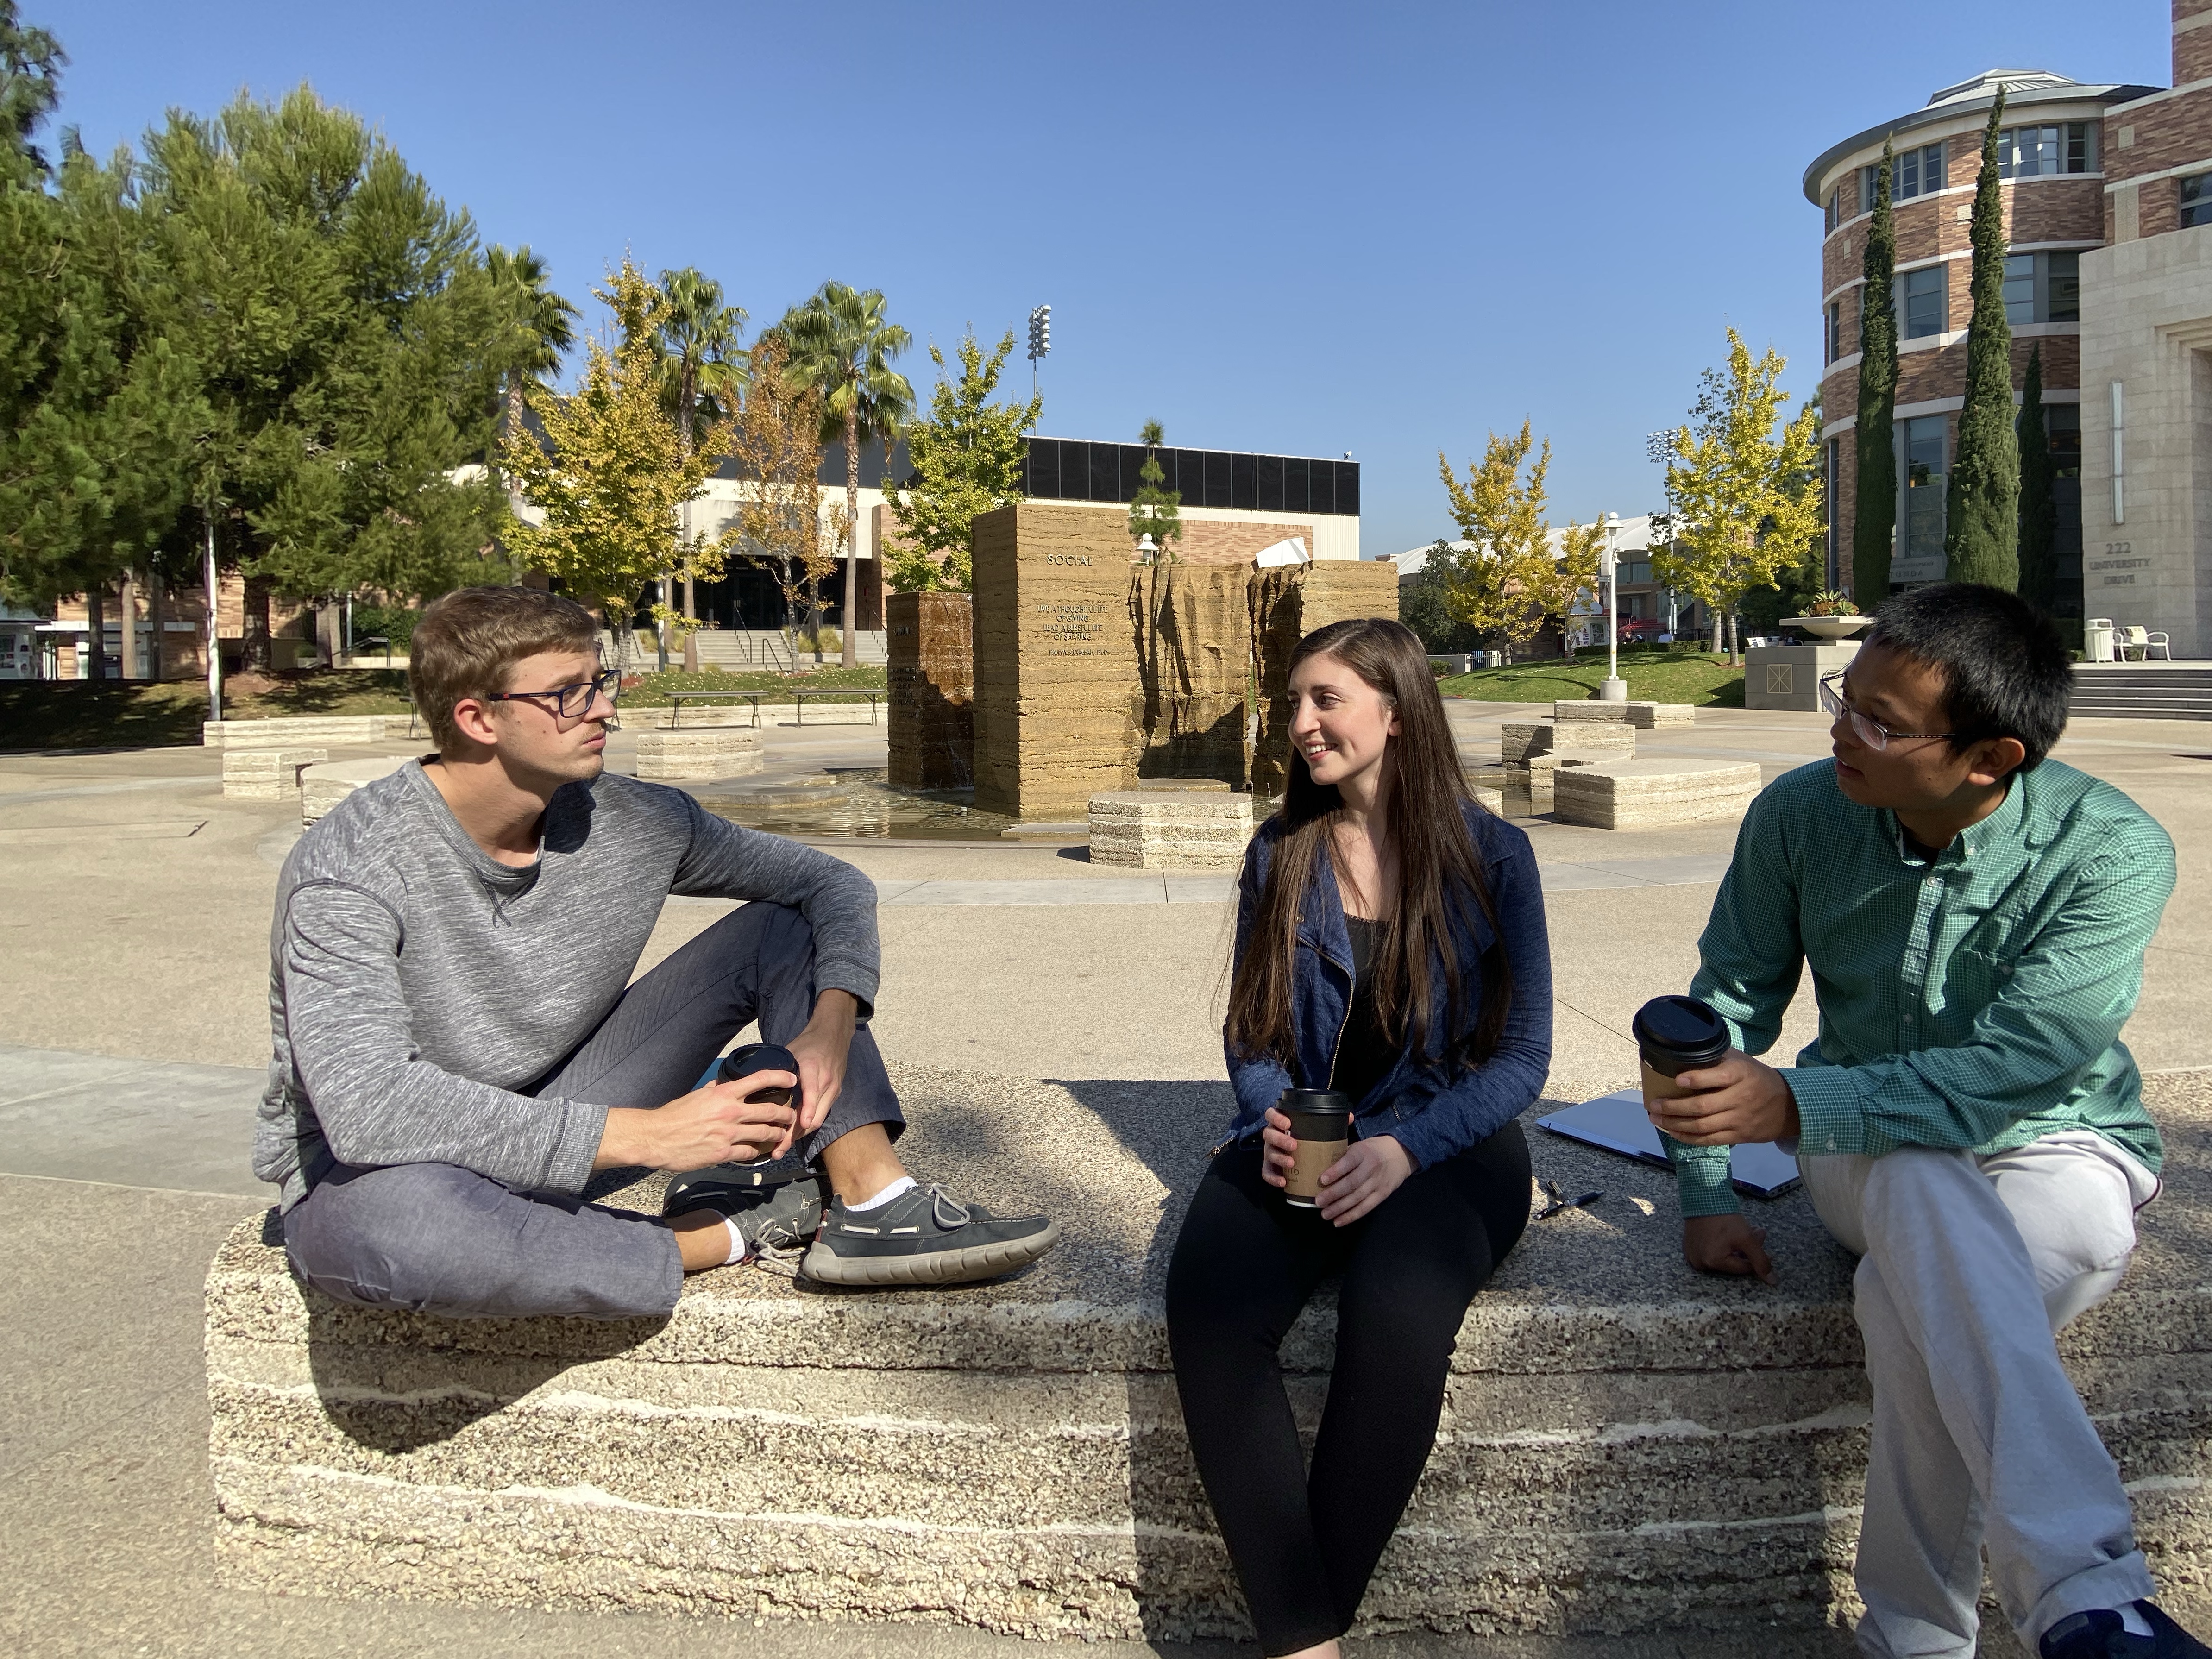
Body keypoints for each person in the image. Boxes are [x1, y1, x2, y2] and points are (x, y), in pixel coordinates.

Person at [1647, 584, 2204, 1659]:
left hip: (2057, 1136)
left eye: (1878, 723)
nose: (1839, 732)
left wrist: (1797, 1102)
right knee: (1910, 1172)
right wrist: (1705, 1196)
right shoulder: (1801, 813)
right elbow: (1727, 1006)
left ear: (1991, 758)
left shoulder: (2112, 851)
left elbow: (2020, 1064)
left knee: (1926, 1300)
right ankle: (2088, 1591)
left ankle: (1912, 1638)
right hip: (1868, 1150)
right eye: (1842, 698)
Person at [258, 586, 1057, 1318]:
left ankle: (874, 1202)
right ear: (478, 719)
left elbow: (831, 883)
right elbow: (372, 1109)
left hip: (570, 1105)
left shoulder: (639, 821)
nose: (604, 708)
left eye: (601, 681)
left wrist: (832, 1021)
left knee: (782, 925)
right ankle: (732, 1226)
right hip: (382, 1165)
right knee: (408, 1239)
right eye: (570, 693)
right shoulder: (351, 868)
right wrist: (654, 1136)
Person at [1163, 617, 1552, 1659]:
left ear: (1395, 709)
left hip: (1450, 1144)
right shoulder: (1281, 852)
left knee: (1395, 1316)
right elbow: (1251, 1035)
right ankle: (1311, 1643)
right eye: (1296, 702)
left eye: (1325, 700)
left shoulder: (1496, 857)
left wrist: (1409, 1150)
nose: (1301, 724)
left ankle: (1304, 1622)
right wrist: (1270, 1116)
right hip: (1307, 1136)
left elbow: (1524, 1061)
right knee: (1208, 1311)